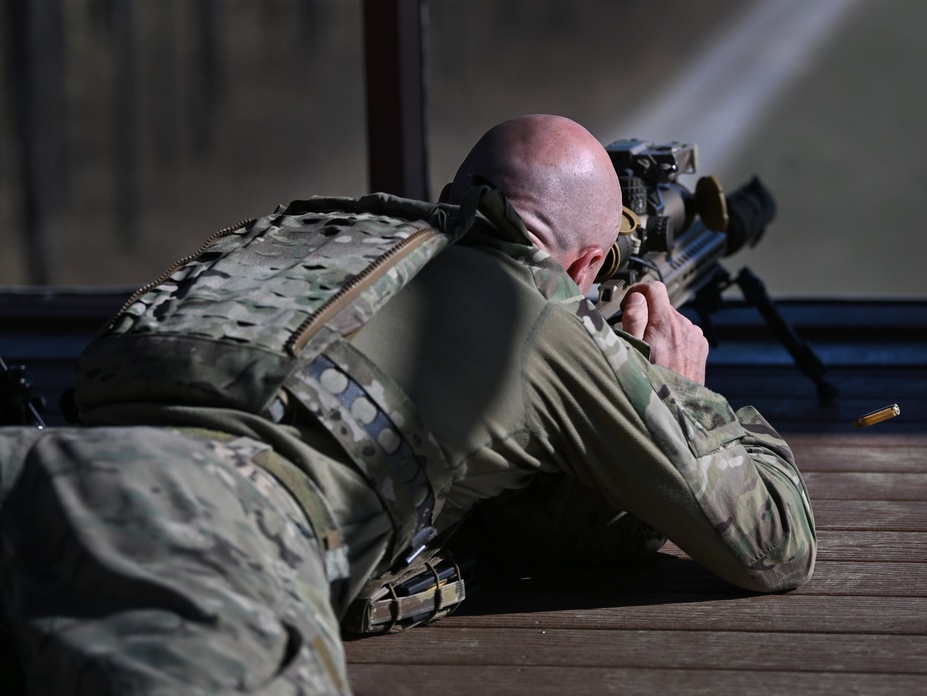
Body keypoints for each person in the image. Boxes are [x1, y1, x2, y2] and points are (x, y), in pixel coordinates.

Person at [0, 114, 815, 695]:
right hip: (201, 537)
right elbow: (771, 543)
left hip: (30, 468)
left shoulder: (305, 236)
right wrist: (684, 391)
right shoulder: (539, 314)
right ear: (584, 270)